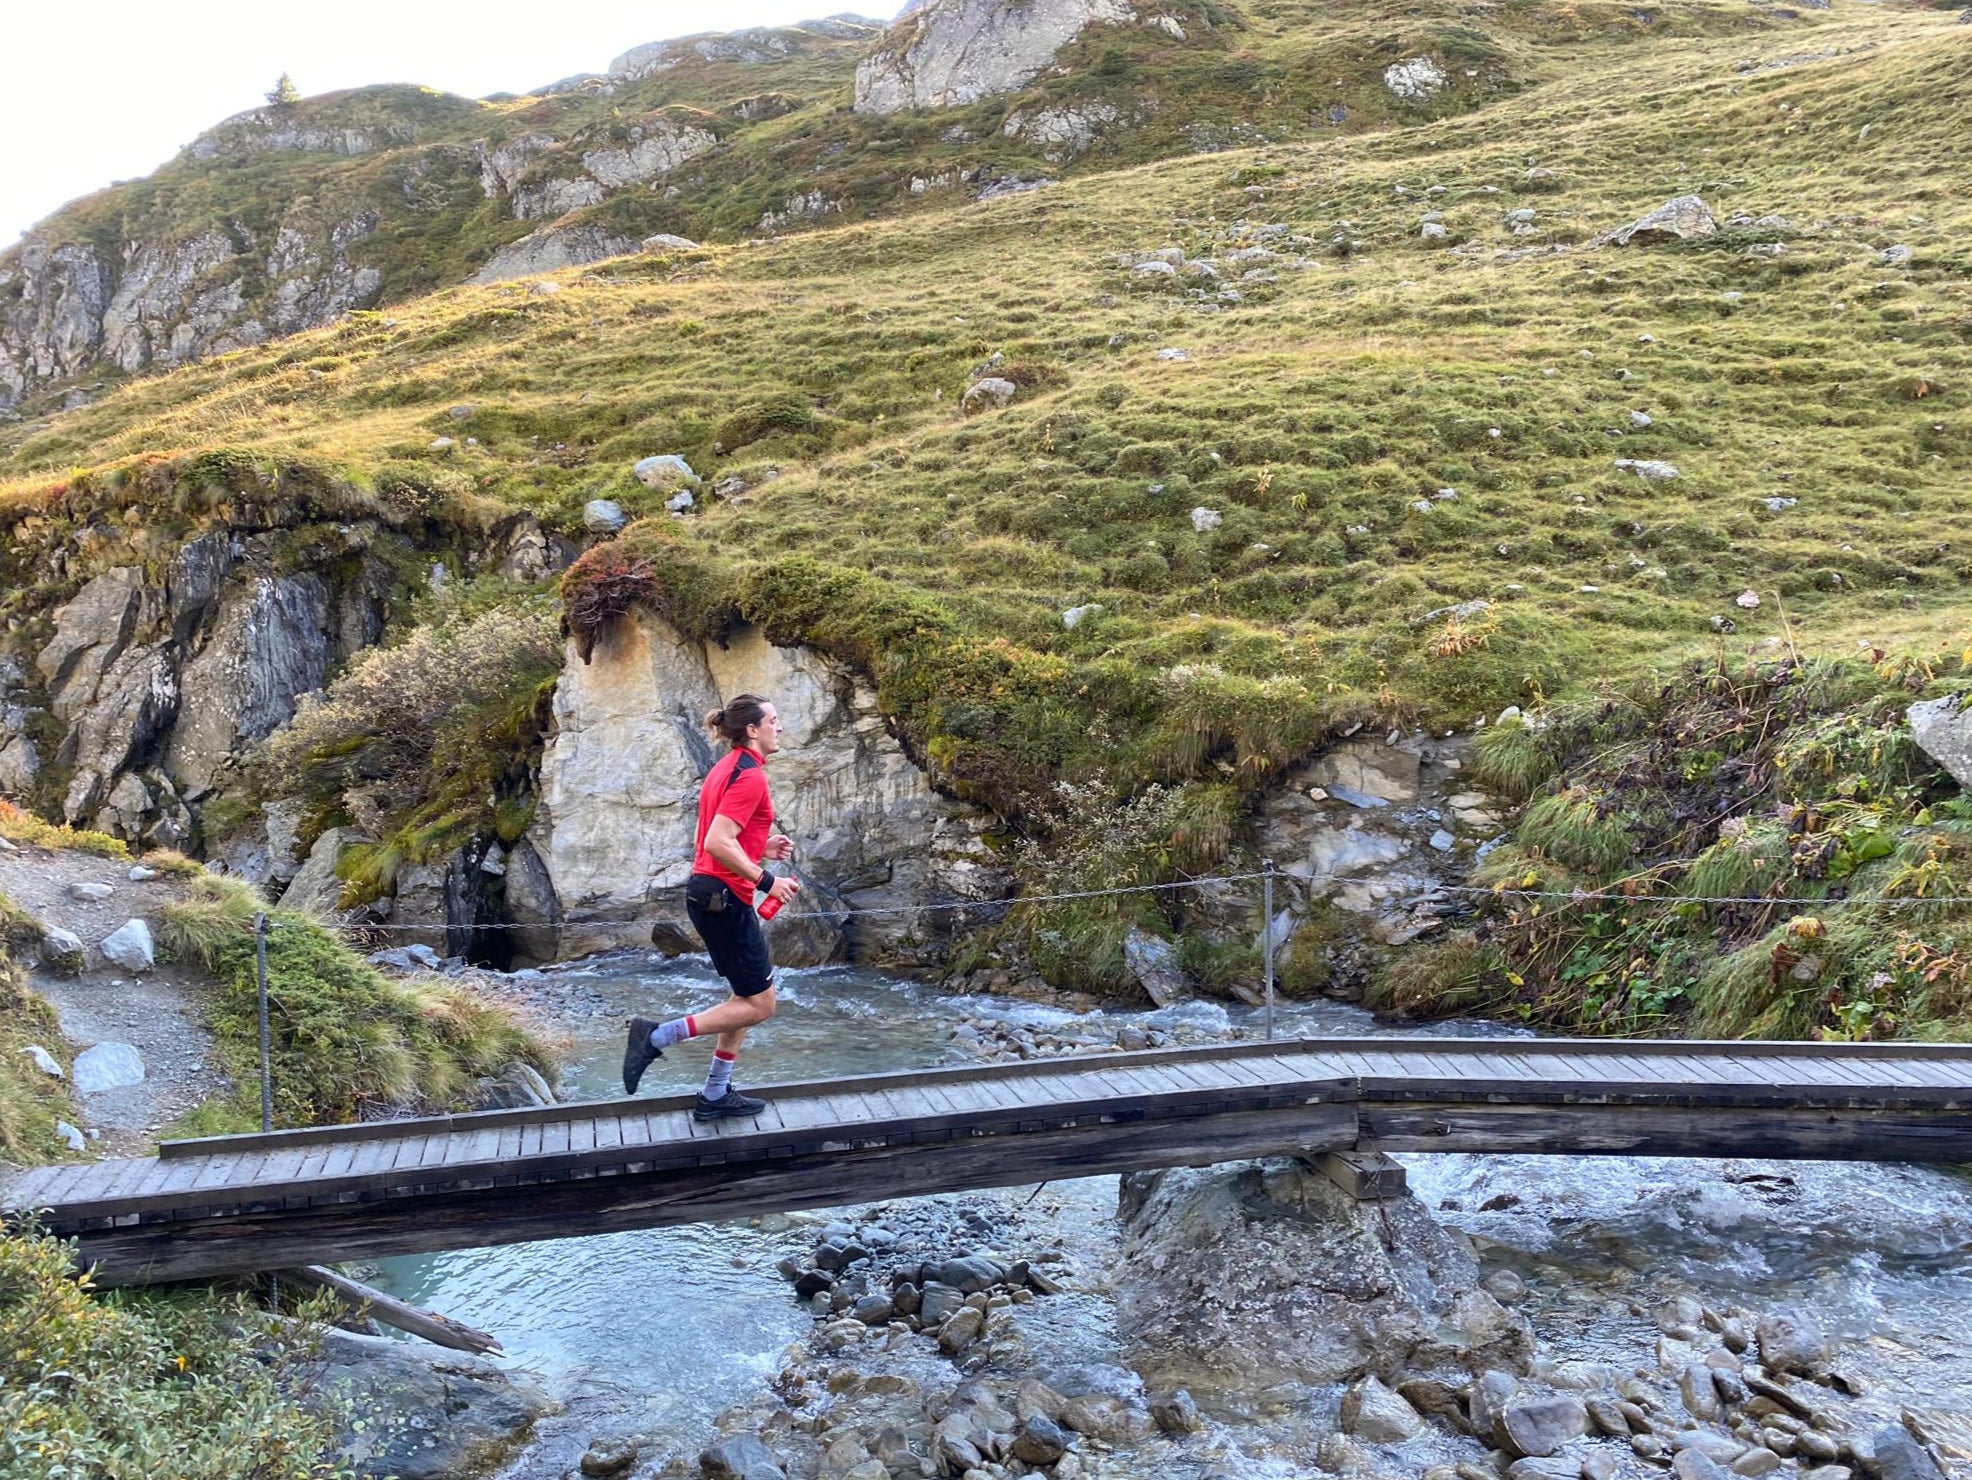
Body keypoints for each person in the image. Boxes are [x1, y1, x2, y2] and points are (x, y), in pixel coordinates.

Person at [622, 693, 800, 1120]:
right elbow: (716, 843)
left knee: (744, 997)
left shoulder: (729, 767)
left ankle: (716, 1094)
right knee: (761, 1006)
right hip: (723, 898)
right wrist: (768, 881)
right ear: (752, 730)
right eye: (773, 721)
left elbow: (724, 839)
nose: (780, 727)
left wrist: (762, 846)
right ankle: (656, 1037)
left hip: (713, 893)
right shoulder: (750, 775)